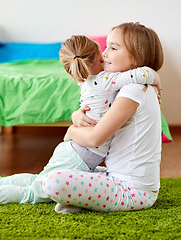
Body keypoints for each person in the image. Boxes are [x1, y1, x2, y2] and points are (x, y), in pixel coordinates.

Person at [0, 33, 160, 205]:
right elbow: (143, 74)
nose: (105, 55)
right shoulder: (106, 80)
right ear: (95, 55)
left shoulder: (86, 81)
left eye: (112, 48)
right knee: (35, 192)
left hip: (75, 152)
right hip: (79, 154)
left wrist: (74, 118)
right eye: (104, 49)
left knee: (39, 181)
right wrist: (156, 78)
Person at [42, 22, 164, 213]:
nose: (104, 53)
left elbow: (94, 138)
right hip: (116, 177)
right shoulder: (127, 87)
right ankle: (82, 200)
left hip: (133, 190)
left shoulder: (133, 90)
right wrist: (77, 115)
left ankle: (83, 199)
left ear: (136, 57)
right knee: (61, 174)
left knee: (52, 181)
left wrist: (71, 130)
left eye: (113, 48)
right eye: (106, 46)